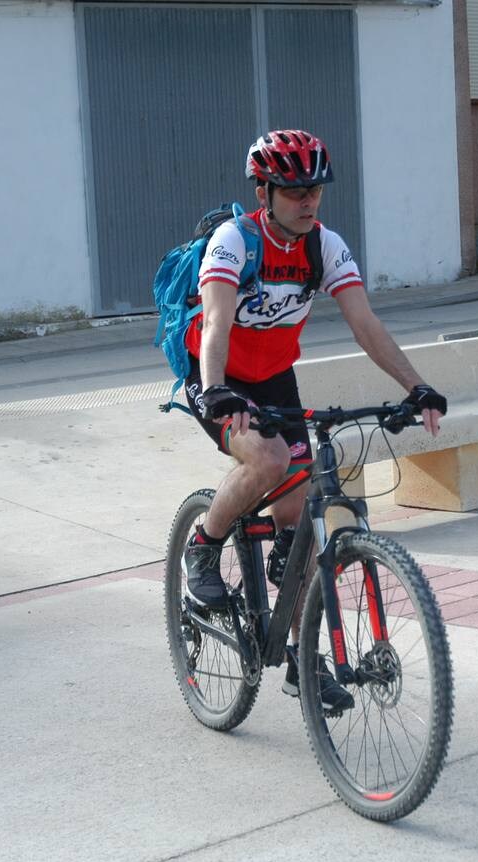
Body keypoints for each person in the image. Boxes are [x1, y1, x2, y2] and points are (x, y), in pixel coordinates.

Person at [180, 129, 447, 713]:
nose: (308, 201)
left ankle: (303, 660)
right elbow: (218, 323)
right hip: (218, 374)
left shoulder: (324, 246)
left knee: (299, 514)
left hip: (276, 378)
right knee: (271, 460)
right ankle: (203, 545)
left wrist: (415, 386)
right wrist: (219, 390)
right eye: (295, 191)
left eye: (315, 191)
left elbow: (366, 324)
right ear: (264, 189)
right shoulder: (235, 240)